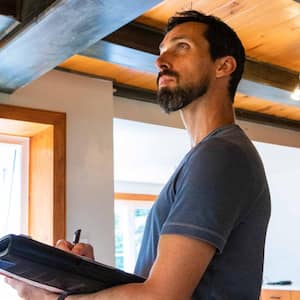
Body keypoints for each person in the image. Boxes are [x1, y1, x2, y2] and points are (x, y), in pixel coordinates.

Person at [5, 10, 271, 300]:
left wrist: (53, 298)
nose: (160, 61)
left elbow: (161, 297)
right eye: (161, 51)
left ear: (224, 66)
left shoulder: (221, 155)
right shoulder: (209, 156)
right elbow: (155, 286)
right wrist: (90, 275)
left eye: (182, 47)